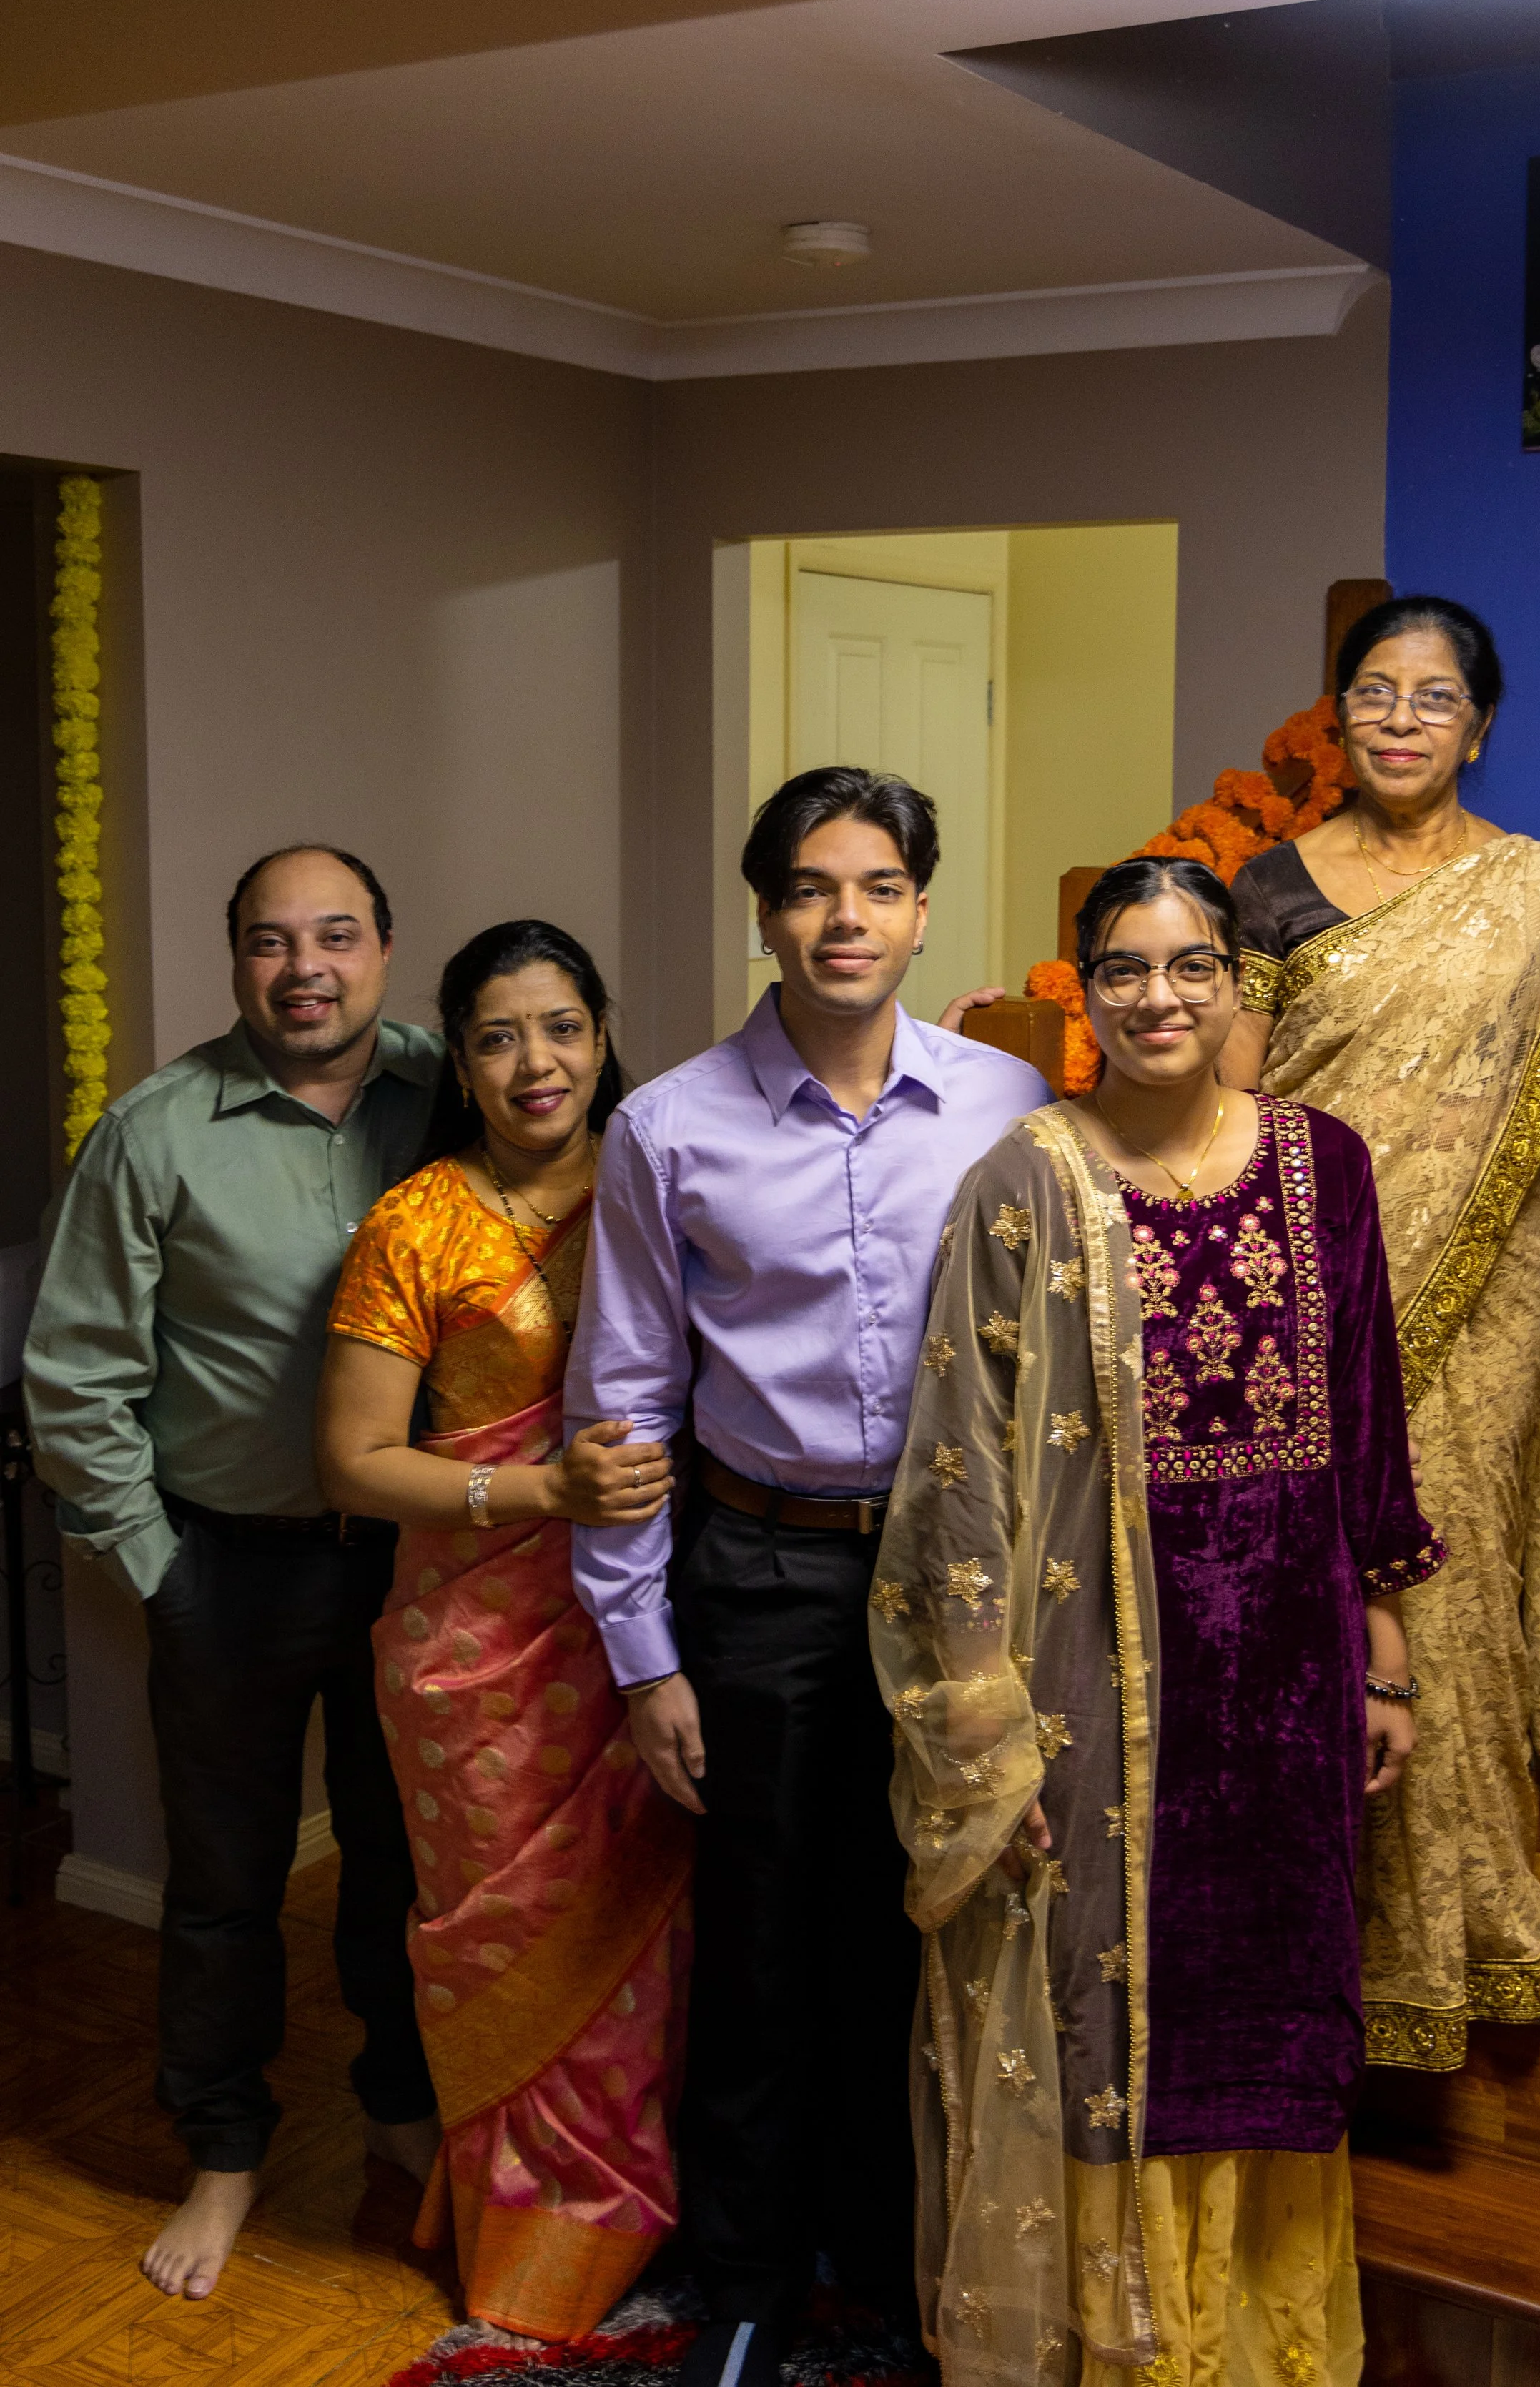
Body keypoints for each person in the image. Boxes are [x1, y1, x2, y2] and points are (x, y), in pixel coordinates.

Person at [874, 854, 1442, 2386]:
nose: (1156, 998)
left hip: (1288, 1666)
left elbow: (1367, 1405)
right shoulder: (1023, 1180)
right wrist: (986, 1725)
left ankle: (1250, 2346)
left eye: (1189, 966)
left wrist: (1384, 1640)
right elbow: (958, 1468)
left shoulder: (1324, 1166)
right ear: (1082, 993)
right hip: (1092, 1680)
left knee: (1270, 1992)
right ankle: (1119, 2349)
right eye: (1120, 969)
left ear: (1236, 984)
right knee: (1098, 2003)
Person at [566, 766, 1051, 2387]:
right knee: (761, 1937)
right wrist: (643, 1654)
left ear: (921, 905)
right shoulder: (670, 1124)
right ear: (765, 909)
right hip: (758, 1564)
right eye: (810, 887)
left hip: (950, 1576)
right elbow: (620, 1395)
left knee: (917, 1928)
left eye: (877, 884)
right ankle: (750, 2288)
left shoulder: (1002, 1102)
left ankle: (896, 2259)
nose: (845, 917)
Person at [1221, 594, 1540, 2073]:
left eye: (1431, 696)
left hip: (1467, 1344)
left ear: (1477, 724)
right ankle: (1291, 1962)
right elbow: (1223, 1109)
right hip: (1294, 1317)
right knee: (1291, 1635)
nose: (1399, 716)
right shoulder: (1267, 890)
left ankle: (1444, 1956)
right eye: (1372, 690)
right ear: (1332, 715)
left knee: (1441, 1629)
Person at [24, 846, 443, 2300]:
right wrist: (158, 1566)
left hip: (416, 1566)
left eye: (336, 935)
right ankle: (223, 2146)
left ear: (386, 947)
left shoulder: (452, 1094)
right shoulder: (155, 1131)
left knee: (405, 1864)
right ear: (235, 962)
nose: (305, 967)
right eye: (271, 942)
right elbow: (73, 1375)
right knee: (224, 1882)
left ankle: (398, 2100)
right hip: (231, 1567)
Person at [315, 919, 691, 2349]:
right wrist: (545, 1488)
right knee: (498, 1946)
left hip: (642, 1631)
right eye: (495, 1036)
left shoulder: (661, 1185)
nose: (534, 1063)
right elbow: (352, 1461)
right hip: (475, 1660)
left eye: (559, 1028)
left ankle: (651, 2222)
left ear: (601, 1036)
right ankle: (537, 2261)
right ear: (460, 1063)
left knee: (648, 1948)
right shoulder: (418, 1221)